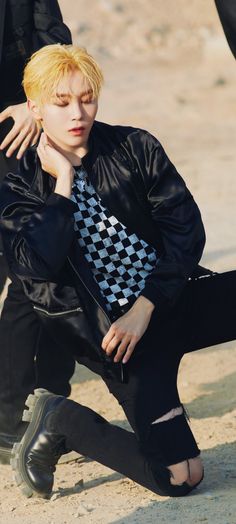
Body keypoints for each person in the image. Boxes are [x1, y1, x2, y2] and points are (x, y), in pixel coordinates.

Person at [1, 43, 236, 499]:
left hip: (167, 301)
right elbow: (37, 267)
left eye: (87, 98)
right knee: (181, 478)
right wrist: (62, 186)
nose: (77, 113)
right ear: (35, 109)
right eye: (62, 102)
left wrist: (147, 304)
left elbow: (186, 232)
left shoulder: (133, 146)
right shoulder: (17, 185)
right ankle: (62, 419)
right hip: (119, 342)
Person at [0, 0, 76, 465]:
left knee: (40, 272)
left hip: (23, 131)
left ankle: (45, 406)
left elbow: (55, 38)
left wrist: (37, 105)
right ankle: (13, 416)